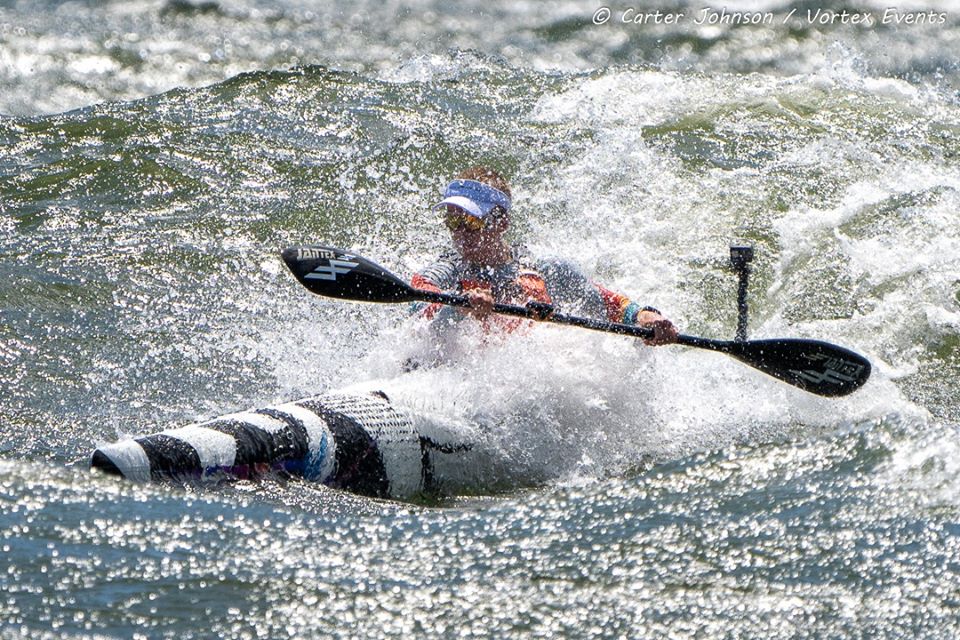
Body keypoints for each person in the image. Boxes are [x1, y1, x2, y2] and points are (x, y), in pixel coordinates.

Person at [410, 167, 679, 347]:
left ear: (501, 222)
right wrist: (458, 307)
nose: (460, 233)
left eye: (472, 221)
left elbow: (611, 304)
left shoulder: (545, 270)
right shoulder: (446, 270)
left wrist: (644, 316)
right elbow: (417, 310)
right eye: (453, 221)